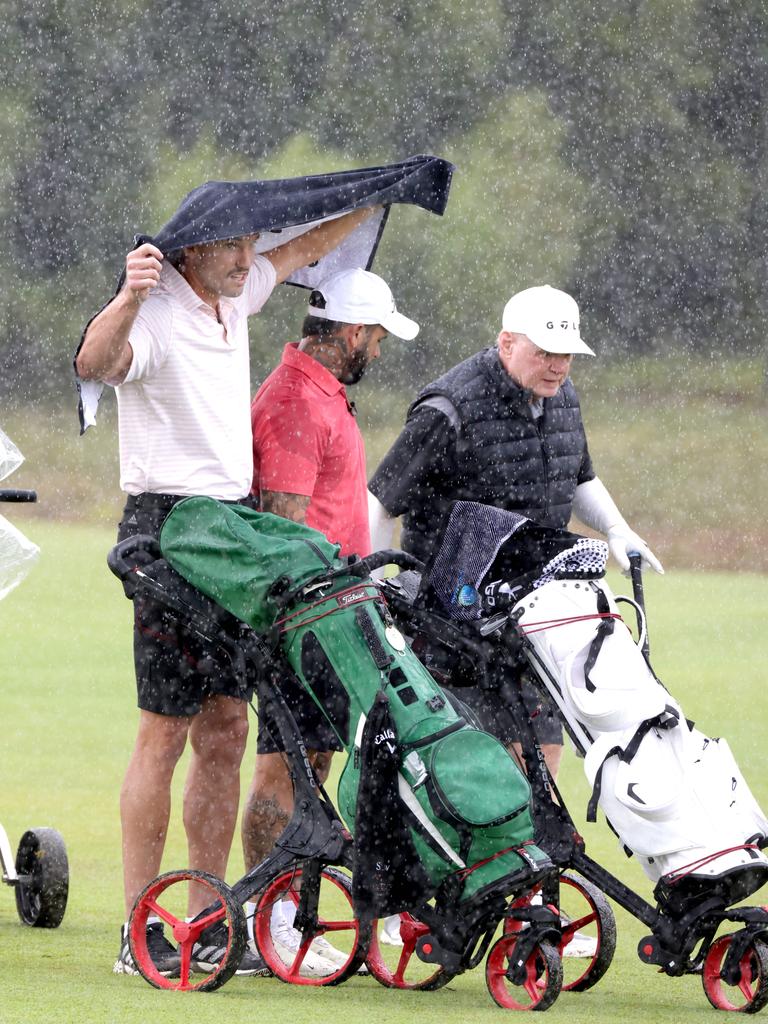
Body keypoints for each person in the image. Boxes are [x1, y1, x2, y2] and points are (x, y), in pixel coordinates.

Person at [75, 205, 378, 979]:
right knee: (164, 733)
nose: (251, 256)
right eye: (235, 244)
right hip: (171, 533)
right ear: (191, 250)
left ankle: (206, 911)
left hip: (234, 532)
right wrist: (129, 295)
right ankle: (138, 923)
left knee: (226, 731)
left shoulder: (233, 295)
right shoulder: (155, 312)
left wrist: (378, 196)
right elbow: (94, 363)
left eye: (252, 242)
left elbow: (306, 245)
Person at [368, 285, 663, 956]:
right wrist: (374, 579)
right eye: (546, 351)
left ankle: (527, 901)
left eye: (567, 354)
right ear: (507, 343)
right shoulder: (449, 407)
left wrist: (618, 531)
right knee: (451, 760)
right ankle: (403, 899)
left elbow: (579, 474)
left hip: (535, 608)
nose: (558, 365)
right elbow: (381, 498)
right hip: (450, 611)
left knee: (541, 749)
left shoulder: (564, 400)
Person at [242, 267, 419, 975]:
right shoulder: (292, 402)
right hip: (304, 619)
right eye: (374, 338)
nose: (376, 351)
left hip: (337, 611)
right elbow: (282, 525)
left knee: (315, 768)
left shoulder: (325, 394)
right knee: (286, 773)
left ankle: (291, 907)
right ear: (349, 332)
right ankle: (269, 917)